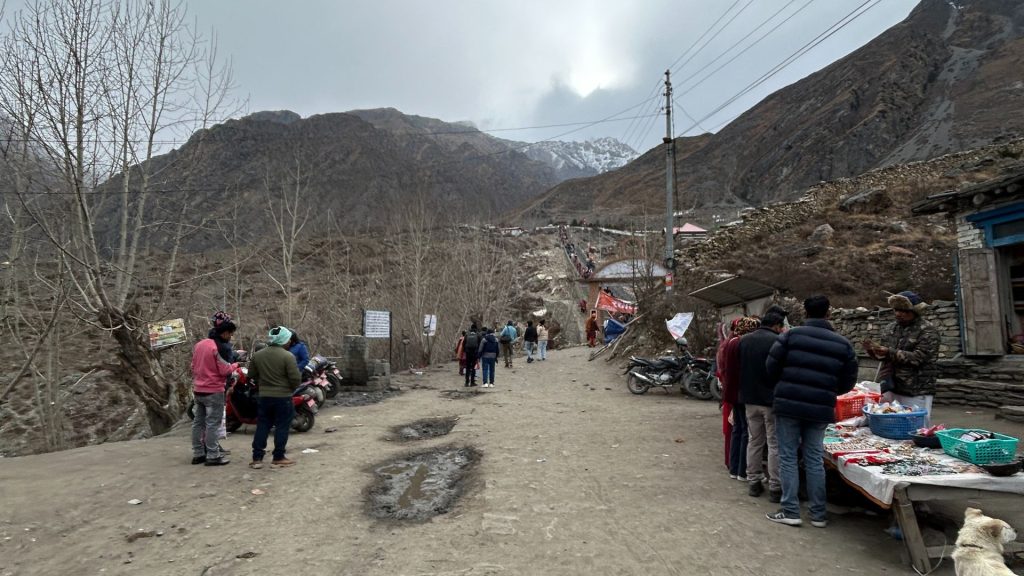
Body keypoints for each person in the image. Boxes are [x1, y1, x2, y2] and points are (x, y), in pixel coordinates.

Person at [765, 295, 858, 528]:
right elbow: (848, 382)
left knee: (788, 457)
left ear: (805, 313)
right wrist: (826, 390)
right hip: (821, 407)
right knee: (814, 458)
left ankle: (790, 510)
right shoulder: (843, 344)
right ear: (828, 313)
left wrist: (786, 386)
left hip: (788, 405)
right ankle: (818, 514)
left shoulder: (789, 336)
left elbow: (771, 367)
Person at [862, 291, 939, 420]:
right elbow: (885, 357)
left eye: (904, 311)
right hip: (891, 386)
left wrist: (889, 352)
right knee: (888, 422)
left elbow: (918, 358)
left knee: (915, 427)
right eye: (896, 310)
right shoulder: (891, 328)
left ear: (915, 311)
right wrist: (873, 351)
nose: (898, 314)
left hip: (916, 390)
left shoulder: (927, 330)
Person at [740, 307, 787, 501]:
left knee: (754, 441)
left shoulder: (745, 340)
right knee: (774, 443)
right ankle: (775, 487)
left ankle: (753, 482)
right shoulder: (778, 341)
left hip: (750, 399)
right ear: (776, 325)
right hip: (770, 400)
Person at [248, 326, 302, 469]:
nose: (290, 342)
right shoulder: (288, 356)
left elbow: (251, 375)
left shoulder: (258, 355)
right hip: (283, 397)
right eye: (288, 339)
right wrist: (290, 388)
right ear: (284, 340)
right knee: (282, 426)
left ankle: (257, 458)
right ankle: (278, 457)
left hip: (264, 396)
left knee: (263, 425)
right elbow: (295, 379)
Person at [189, 311, 239, 466]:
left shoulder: (199, 345)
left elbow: (192, 366)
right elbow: (225, 370)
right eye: (230, 334)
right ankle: (213, 455)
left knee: (198, 422)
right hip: (214, 390)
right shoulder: (217, 348)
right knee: (212, 424)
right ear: (224, 332)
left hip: (198, 390)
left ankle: (198, 453)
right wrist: (236, 365)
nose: (230, 337)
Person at [721, 316, 760, 482]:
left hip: (732, 393)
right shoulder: (743, 343)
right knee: (746, 431)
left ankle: (733, 466)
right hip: (742, 393)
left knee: (737, 429)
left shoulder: (730, 342)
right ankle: (743, 471)